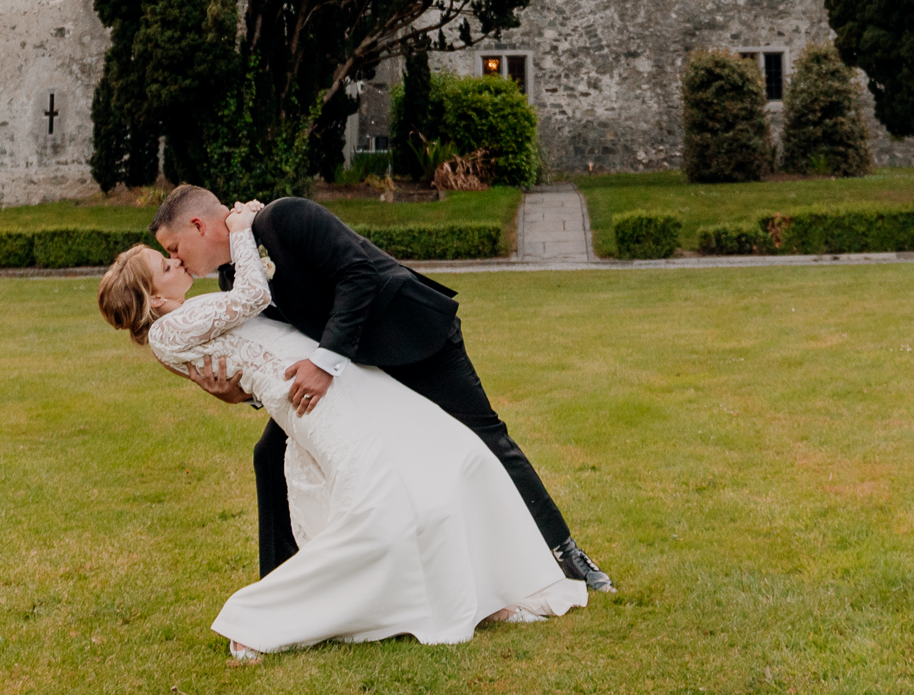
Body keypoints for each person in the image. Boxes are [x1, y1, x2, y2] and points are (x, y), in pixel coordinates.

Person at [100, 202, 585, 659]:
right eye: (165, 265)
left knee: (457, 450)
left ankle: (494, 587)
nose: (175, 261)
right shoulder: (170, 330)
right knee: (378, 507)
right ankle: (261, 617)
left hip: (348, 372)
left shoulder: (239, 264)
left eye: (172, 252)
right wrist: (245, 232)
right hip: (315, 400)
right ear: (154, 297)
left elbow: (267, 331)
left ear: (198, 226)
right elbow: (254, 300)